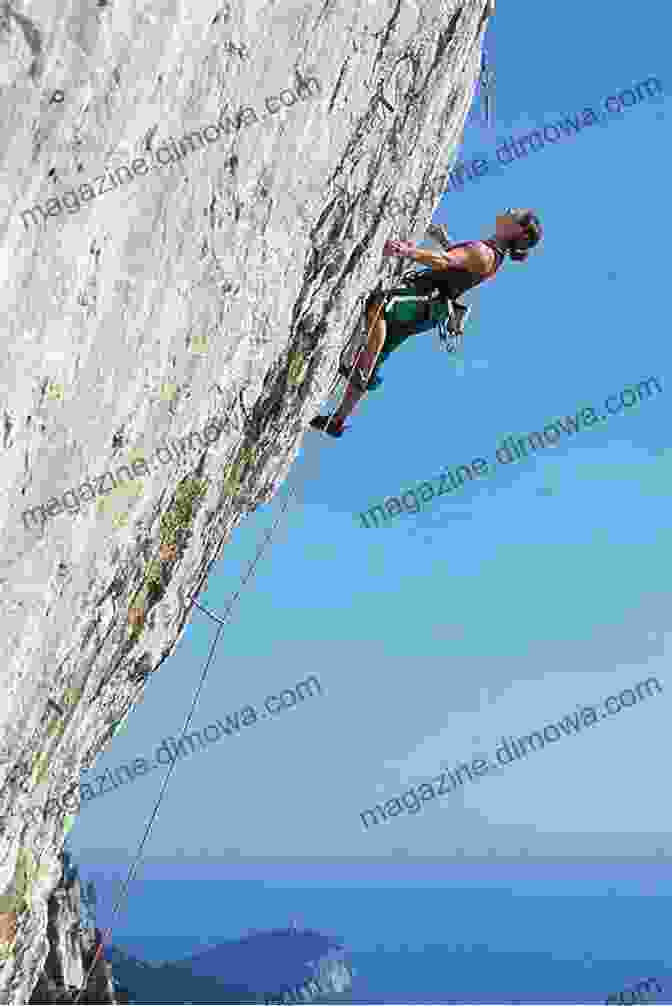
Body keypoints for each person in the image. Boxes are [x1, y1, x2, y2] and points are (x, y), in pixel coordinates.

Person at [310, 208, 543, 437]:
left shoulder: (485, 252)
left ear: (519, 231)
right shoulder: (492, 254)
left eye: (516, 214)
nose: (511, 210)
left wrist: (406, 251)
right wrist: (445, 240)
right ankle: (339, 419)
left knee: (380, 305)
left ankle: (361, 370)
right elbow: (461, 264)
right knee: (382, 341)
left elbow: (445, 261)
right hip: (431, 308)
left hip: (427, 298)